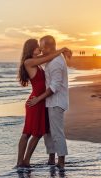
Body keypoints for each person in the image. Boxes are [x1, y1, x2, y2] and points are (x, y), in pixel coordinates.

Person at [16, 38, 70, 168]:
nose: (39, 49)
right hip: (35, 101)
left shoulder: (37, 61)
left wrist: (59, 51)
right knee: (29, 132)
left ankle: (25, 161)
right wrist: (62, 50)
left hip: (41, 101)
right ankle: (21, 162)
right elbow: (48, 56)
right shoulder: (29, 62)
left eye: (40, 47)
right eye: (37, 47)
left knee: (36, 132)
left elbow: (48, 55)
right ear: (31, 49)